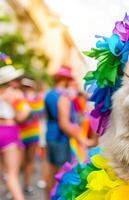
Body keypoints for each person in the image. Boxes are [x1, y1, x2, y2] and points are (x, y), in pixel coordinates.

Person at [44, 66, 86, 199]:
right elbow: (65, 124)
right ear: (66, 80)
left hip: (51, 136)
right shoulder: (62, 97)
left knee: (51, 170)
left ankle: (48, 196)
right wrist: (82, 139)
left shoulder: (49, 94)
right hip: (61, 138)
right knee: (61, 175)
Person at [0, 65, 30, 200]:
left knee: (5, 173)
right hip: (9, 131)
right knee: (13, 175)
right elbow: (24, 113)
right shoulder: (14, 93)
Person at [18, 77, 45, 195]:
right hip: (19, 134)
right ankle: (15, 187)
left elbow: (40, 112)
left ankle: (27, 185)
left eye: (28, 86)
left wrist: (28, 106)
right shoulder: (18, 98)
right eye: (24, 86)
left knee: (30, 160)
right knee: (19, 162)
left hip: (33, 134)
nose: (26, 89)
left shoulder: (37, 98)